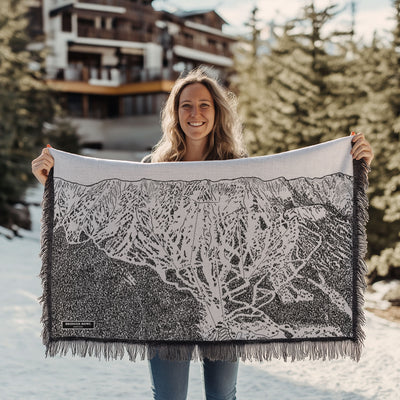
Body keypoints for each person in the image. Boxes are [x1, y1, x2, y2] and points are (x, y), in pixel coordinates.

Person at [32, 67, 374, 400]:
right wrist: (52, 181)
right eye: (186, 105)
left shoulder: (240, 169)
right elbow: (104, 206)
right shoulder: (153, 170)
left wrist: (354, 163)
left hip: (226, 303)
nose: (195, 113)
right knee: (169, 396)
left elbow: (278, 214)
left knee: (222, 395)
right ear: (175, 114)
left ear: (217, 113)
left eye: (204, 105)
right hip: (166, 307)